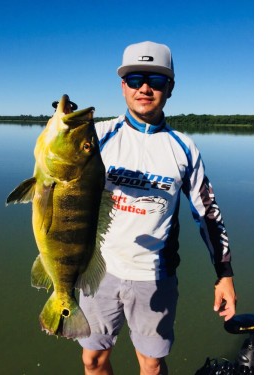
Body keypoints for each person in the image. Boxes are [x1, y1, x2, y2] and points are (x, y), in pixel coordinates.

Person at [78, 41, 237, 375]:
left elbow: (208, 213)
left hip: (155, 275)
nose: (145, 88)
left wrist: (224, 274)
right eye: (135, 79)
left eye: (157, 81)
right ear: (123, 86)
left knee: (151, 365)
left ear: (171, 88)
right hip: (98, 269)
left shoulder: (184, 148)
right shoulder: (94, 137)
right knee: (92, 360)